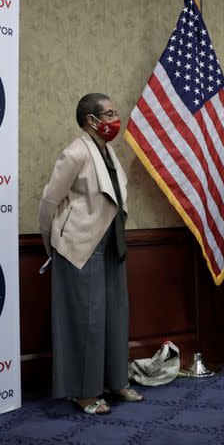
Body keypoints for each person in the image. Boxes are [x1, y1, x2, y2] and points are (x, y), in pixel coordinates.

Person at [39, 92, 142, 415]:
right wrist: (52, 244)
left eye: (115, 113)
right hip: (79, 245)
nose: (115, 119)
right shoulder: (75, 152)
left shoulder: (107, 150)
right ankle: (83, 393)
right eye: (109, 114)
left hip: (112, 242)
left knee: (114, 314)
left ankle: (116, 381)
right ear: (91, 121)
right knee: (87, 320)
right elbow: (48, 203)